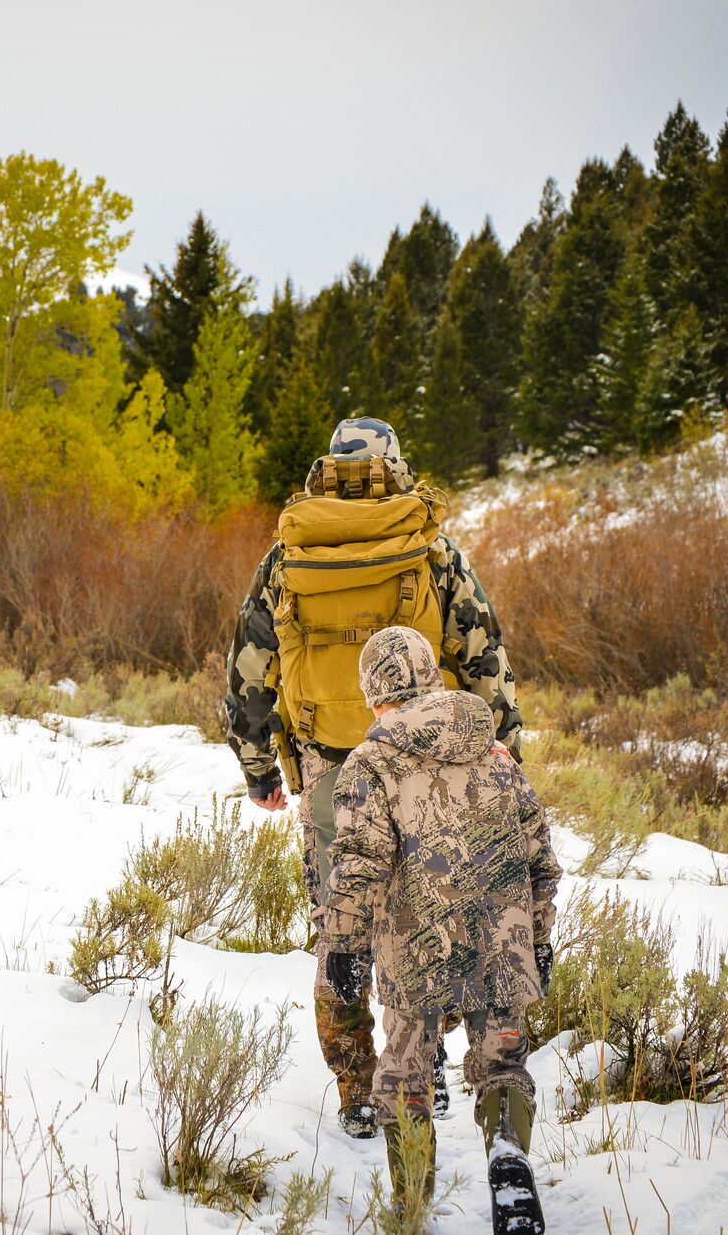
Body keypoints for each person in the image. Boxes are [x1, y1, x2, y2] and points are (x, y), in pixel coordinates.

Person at [222, 416, 522, 1138]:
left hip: (328, 763)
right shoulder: (430, 545)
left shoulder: (290, 551)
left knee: (341, 925)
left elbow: (250, 664)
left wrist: (259, 765)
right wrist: (502, 748)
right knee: (433, 911)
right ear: (394, 464)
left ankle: (359, 1089)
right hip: (429, 765)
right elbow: (482, 654)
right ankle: (422, 1071)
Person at [320, 626, 559, 1229]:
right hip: (503, 944)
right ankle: (508, 1162)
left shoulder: (369, 764)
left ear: (374, 690)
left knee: (404, 1074)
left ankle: (412, 1206)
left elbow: (359, 863)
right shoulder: (494, 749)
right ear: (430, 675)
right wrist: (538, 937)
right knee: (501, 1066)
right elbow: (539, 860)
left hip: (414, 950)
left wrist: (343, 945)